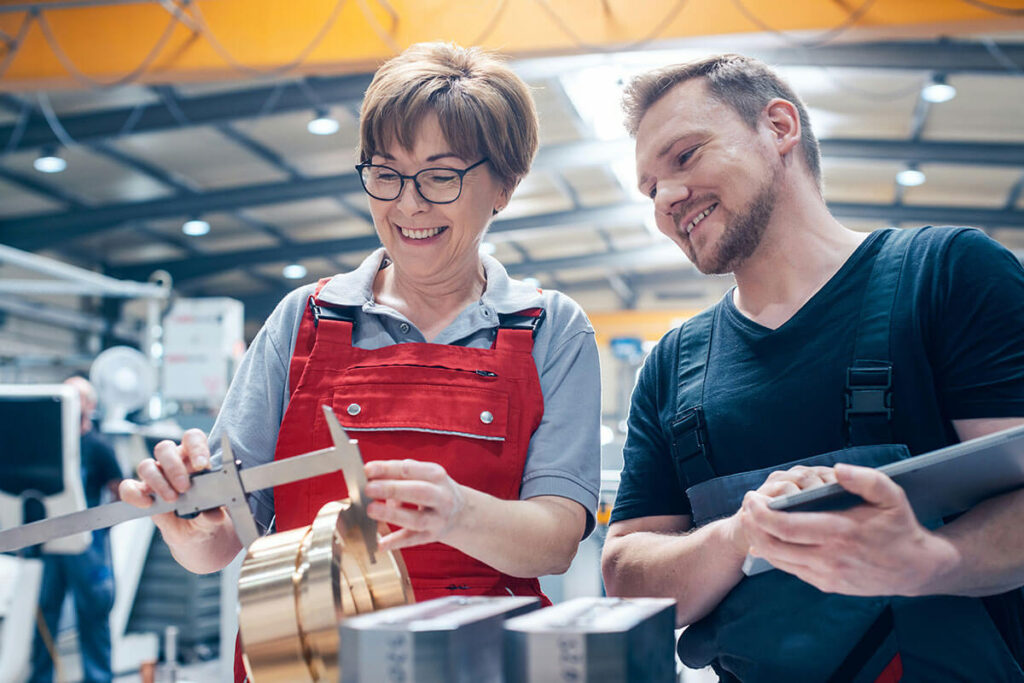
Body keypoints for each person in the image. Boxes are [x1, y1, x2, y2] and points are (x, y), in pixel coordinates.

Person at [118, 42, 600, 681]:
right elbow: (222, 538)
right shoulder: (304, 320)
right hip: (298, 663)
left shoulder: (549, 329)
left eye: (440, 175)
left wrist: (458, 513)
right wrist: (187, 523)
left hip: (472, 664)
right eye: (385, 173)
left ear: (505, 186)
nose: (407, 205)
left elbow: (558, 539)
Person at [601, 53, 1024, 681]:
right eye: (649, 188)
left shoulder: (949, 276)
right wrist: (737, 536)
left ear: (778, 128)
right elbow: (626, 577)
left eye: (684, 156)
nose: (666, 197)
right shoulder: (672, 367)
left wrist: (935, 558)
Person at [31, 376, 122, 683]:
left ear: (89, 405)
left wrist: (104, 526)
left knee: (93, 616)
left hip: (88, 546)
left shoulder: (98, 447)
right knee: (44, 614)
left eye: (75, 395)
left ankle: (98, 678)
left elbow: (119, 488)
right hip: (49, 544)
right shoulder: (49, 446)